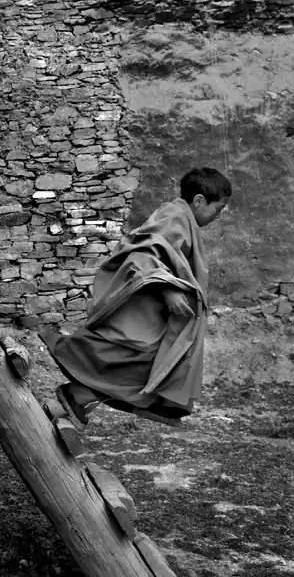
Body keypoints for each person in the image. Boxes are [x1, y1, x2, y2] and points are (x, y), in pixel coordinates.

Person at [41, 167, 232, 426]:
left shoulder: (181, 219)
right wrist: (168, 290)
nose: (219, 216)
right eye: (218, 209)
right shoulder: (174, 218)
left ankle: (74, 400)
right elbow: (143, 253)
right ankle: (77, 395)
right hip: (146, 313)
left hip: (154, 315)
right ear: (199, 200)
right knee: (142, 363)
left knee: (150, 365)